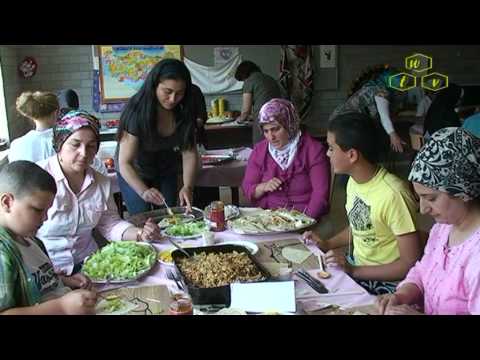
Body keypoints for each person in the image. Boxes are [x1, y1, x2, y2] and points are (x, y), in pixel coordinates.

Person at [303, 112, 422, 295]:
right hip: (359, 272)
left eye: (331, 148)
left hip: (388, 286)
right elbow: (361, 228)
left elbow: (409, 263)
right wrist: (327, 244)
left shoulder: (393, 194)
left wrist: (353, 271)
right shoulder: (354, 181)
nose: (327, 153)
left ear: (351, 155)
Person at [35, 110, 161, 275]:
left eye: (91, 146)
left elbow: (110, 224)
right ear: (59, 143)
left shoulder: (101, 182)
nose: (84, 153)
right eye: (75, 144)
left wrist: (140, 233)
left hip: (91, 267)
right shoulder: (37, 177)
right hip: (47, 271)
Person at [377, 127, 480, 315]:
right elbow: (423, 270)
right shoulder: (443, 229)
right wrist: (401, 295)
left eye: (431, 198)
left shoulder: (476, 258)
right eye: (420, 198)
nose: (423, 209)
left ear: (463, 191)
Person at [0, 161, 98, 314]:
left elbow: (40, 281)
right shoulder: (3, 253)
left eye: (47, 210)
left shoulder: (32, 240)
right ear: (7, 202)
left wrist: (67, 281)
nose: (45, 218)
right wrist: (62, 307)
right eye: (38, 210)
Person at [116, 59, 198, 215]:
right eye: (167, 92)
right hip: (134, 169)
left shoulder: (184, 110)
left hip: (166, 167)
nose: (173, 99)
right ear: (154, 85)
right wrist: (143, 192)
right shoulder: (136, 111)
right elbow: (124, 163)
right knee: (143, 217)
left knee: (171, 214)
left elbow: (189, 153)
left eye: (179, 93)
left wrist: (188, 187)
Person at [242, 98, 330, 219]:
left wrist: (304, 222)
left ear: (290, 125)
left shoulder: (313, 150)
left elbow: (320, 195)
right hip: (270, 220)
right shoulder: (260, 151)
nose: (271, 137)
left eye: (276, 129)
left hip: (306, 219)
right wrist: (263, 186)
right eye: (266, 131)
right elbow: (247, 188)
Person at [9, 91, 107, 175]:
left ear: (31, 115)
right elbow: (94, 167)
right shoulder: (65, 140)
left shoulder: (16, 145)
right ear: (56, 113)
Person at [329, 65, 407, 153]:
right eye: (400, 83)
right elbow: (384, 116)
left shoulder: (371, 85)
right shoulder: (381, 92)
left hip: (338, 119)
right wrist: (393, 135)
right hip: (346, 123)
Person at [234, 60, 283, 144]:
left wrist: (238, 121)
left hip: (263, 122)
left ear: (243, 75)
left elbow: (246, 111)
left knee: (260, 147)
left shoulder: (249, 81)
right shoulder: (270, 79)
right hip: (279, 119)